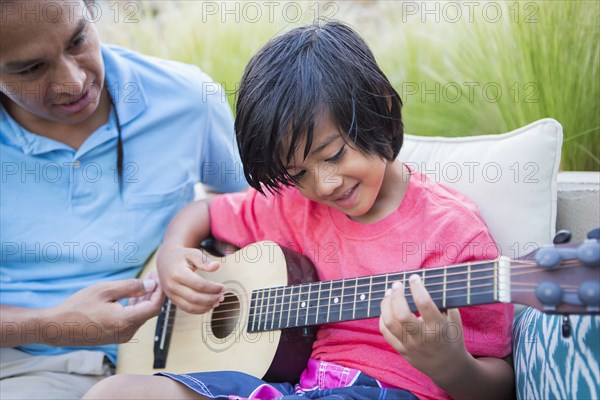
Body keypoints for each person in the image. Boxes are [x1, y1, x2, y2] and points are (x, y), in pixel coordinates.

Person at [83, 21, 514, 400]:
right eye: (298, 173)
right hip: (302, 386)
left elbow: (501, 385)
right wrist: (174, 252)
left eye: (334, 155)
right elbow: (205, 212)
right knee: (114, 392)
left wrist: (450, 364)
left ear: (379, 109)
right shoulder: (295, 204)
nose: (324, 184)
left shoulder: (452, 234)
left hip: (392, 390)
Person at [0, 0, 247, 398]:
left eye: (78, 39)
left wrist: (196, 254)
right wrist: (51, 324)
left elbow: (249, 211)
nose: (74, 82)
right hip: (25, 366)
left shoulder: (189, 98)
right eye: (30, 68)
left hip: (179, 363)